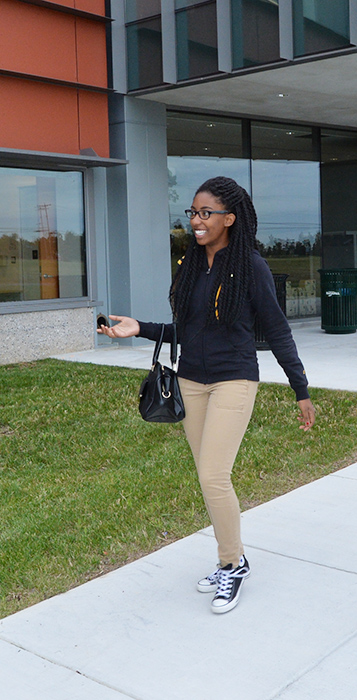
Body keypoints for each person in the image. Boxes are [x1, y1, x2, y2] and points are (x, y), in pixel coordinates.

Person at [98, 176, 315, 614]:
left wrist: (301, 390)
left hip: (233, 379)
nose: (196, 221)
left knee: (214, 476)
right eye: (192, 213)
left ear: (229, 219)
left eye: (205, 213)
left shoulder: (250, 266)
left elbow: (275, 330)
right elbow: (189, 330)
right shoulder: (193, 264)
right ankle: (233, 557)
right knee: (207, 476)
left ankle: (231, 565)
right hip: (190, 381)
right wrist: (139, 328)